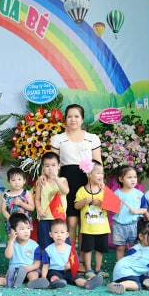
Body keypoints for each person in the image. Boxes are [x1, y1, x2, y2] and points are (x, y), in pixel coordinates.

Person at [48, 104, 102, 249]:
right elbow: (53, 163)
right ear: (65, 119)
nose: (73, 119)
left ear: (82, 119)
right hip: (67, 183)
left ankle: (83, 258)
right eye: (70, 116)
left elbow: (98, 163)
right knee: (71, 223)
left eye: (76, 116)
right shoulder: (58, 139)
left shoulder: (92, 138)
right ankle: (71, 257)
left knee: (85, 223)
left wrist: (100, 181)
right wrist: (47, 179)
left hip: (87, 182)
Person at [41, 219, 104, 290]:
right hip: (55, 270)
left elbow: (76, 263)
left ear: (67, 234)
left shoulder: (70, 249)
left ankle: (86, 283)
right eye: (56, 232)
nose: (59, 235)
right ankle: (56, 283)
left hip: (68, 271)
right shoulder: (48, 249)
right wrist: (43, 277)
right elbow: (45, 266)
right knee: (54, 276)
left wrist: (70, 266)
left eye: (62, 232)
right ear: (51, 234)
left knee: (76, 278)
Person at [73, 160, 110, 278]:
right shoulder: (81, 190)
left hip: (102, 228)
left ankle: (98, 269)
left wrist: (100, 203)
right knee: (87, 249)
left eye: (102, 173)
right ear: (89, 174)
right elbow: (76, 206)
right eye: (98, 173)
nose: (101, 176)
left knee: (100, 250)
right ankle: (88, 269)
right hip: (88, 229)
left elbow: (111, 207)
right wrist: (84, 201)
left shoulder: (104, 190)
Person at [112, 165, 149, 261]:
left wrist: (137, 211)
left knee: (135, 247)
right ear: (121, 179)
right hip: (119, 225)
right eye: (129, 177)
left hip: (135, 225)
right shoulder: (116, 194)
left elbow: (144, 209)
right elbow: (112, 208)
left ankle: (134, 263)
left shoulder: (139, 194)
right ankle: (120, 265)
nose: (133, 180)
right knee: (120, 247)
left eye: (135, 177)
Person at [34, 152, 69, 250]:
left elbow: (66, 191)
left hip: (59, 218)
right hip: (45, 218)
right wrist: (39, 210)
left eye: (53, 165)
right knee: (45, 245)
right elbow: (37, 199)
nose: (50, 168)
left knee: (61, 245)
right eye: (47, 166)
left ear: (59, 166)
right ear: (43, 167)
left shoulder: (63, 180)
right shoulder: (41, 182)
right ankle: (45, 260)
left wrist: (56, 179)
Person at [4, 214, 48, 289]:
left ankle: (32, 283)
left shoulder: (34, 245)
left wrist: (32, 267)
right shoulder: (11, 243)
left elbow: (37, 262)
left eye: (28, 228)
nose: (26, 231)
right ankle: (14, 281)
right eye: (22, 229)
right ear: (13, 231)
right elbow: (8, 256)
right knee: (6, 278)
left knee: (34, 274)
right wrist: (11, 241)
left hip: (29, 269)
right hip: (15, 269)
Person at [1, 167, 34, 233]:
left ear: (24, 180)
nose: (17, 182)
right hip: (11, 223)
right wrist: (10, 218)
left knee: (24, 238)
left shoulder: (26, 193)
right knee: (12, 238)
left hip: (24, 223)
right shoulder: (6, 195)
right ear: (9, 182)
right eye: (13, 180)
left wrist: (21, 203)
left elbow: (32, 208)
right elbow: (3, 209)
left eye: (19, 179)